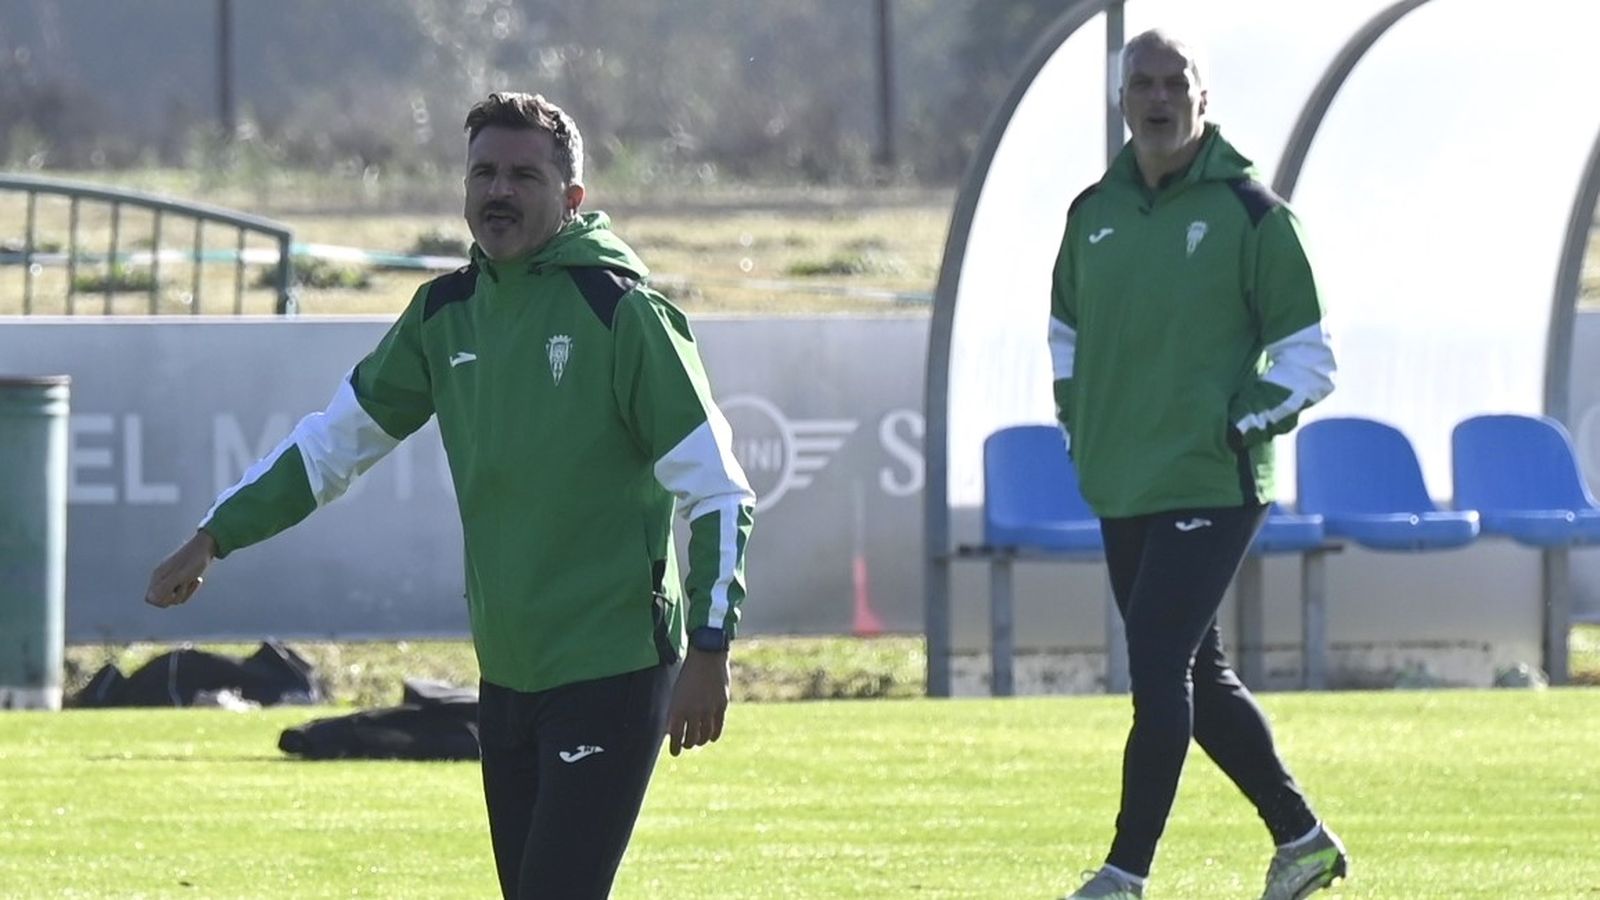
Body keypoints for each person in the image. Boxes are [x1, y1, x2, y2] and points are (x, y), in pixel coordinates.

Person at [143, 91, 755, 900]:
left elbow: (717, 491)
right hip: (506, 675)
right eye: (484, 173)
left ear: (571, 199)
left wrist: (709, 653)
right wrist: (215, 535)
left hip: (614, 667)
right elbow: (332, 446)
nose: (499, 191)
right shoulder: (444, 314)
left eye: (523, 175)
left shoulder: (623, 314)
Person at [1049, 31, 1343, 900]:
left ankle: (1125, 872)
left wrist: (1237, 427)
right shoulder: (1090, 214)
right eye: (1142, 81)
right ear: (1123, 100)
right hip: (1123, 477)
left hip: (1215, 481)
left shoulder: (1254, 214)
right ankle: (1304, 840)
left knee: (1157, 665)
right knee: (1197, 676)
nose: (1158, 95)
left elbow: (1310, 359)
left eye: (1175, 81)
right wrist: (1079, 420)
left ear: (1202, 99)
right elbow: (1066, 336)